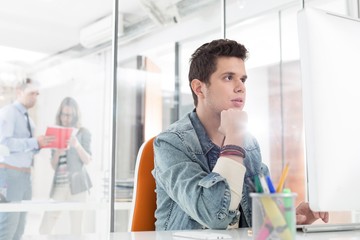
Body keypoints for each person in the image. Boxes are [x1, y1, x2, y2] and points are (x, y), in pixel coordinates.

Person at [152, 39, 329, 230]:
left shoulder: (249, 143)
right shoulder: (171, 143)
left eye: (242, 79)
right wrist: (234, 137)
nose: (241, 87)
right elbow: (215, 217)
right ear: (199, 88)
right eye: (228, 77)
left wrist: (288, 219)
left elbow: (261, 218)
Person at [0, 78, 54, 240]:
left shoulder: (28, 119)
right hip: (10, 174)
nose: (35, 98)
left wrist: (39, 145)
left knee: (20, 226)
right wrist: (33, 141)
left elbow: (26, 149)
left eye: (37, 94)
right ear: (19, 92)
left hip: (25, 176)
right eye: (31, 93)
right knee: (8, 225)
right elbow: (3, 144)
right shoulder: (9, 112)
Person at [39, 97, 92, 235]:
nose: (65, 118)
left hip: (78, 186)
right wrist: (57, 152)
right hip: (59, 185)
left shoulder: (83, 132)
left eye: (69, 115)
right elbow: (53, 165)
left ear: (75, 115)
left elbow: (88, 160)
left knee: (77, 228)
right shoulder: (55, 133)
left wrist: (77, 145)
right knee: (46, 225)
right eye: (63, 114)